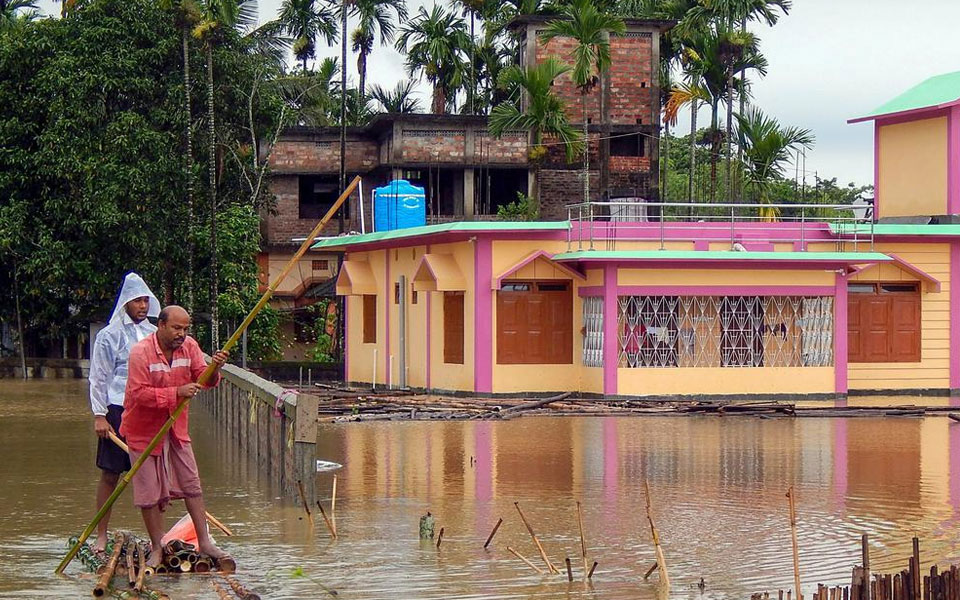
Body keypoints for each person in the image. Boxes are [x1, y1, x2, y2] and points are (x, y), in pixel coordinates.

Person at [120, 305, 229, 567]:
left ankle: (204, 541)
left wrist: (214, 368)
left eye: (185, 328)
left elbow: (204, 380)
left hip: (176, 428)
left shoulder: (189, 347)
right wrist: (176, 392)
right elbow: (138, 394)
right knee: (149, 492)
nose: (182, 333)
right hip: (143, 430)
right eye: (176, 328)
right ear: (161, 326)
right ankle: (158, 546)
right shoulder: (140, 353)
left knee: (192, 484)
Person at [88, 273, 160, 554]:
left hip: (147, 410)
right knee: (110, 474)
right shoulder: (110, 335)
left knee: (150, 476)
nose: (142, 306)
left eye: (145, 300)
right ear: (126, 303)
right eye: (137, 301)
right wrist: (99, 414)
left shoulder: (155, 335)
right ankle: (102, 534)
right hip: (117, 409)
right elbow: (99, 377)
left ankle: (157, 540)